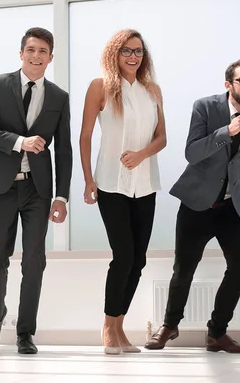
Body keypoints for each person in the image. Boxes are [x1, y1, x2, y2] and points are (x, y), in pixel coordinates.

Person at [145, 57, 240, 353]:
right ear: (228, 83)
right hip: (197, 204)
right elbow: (192, 153)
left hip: (231, 206)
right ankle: (169, 325)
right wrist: (227, 132)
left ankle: (217, 333)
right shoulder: (206, 107)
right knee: (184, 269)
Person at [0, 27, 72, 355]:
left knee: (34, 261)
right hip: (0, 188)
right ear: (21, 53)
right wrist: (18, 142)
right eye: (30, 50)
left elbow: (64, 150)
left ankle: (25, 332)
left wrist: (61, 196)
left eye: (43, 51)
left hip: (37, 191)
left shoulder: (59, 97)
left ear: (50, 57)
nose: (36, 56)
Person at [79, 29, 166, 354]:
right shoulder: (100, 87)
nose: (133, 56)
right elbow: (86, 135)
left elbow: (162, 137)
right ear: (114, 54)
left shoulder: (152, 89)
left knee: (139, 260)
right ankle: (107, 327)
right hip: (111, 182)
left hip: (145, 184)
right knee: (123, 256)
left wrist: (142, 154)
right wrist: (89, 180)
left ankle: (120, 326)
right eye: (127, 51)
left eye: (138, 52)